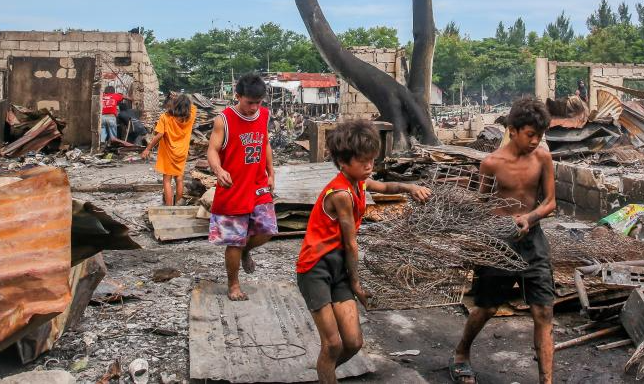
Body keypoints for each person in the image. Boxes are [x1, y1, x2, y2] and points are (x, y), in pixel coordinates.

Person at [296, 120, 431, 384]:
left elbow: (386, 187)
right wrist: (356, 284)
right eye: (363, 161)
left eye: (372, 159)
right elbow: (350, 243)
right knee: (333, 344)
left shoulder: (360, 182)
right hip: (316, 267)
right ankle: (327, 372)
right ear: (343, 163)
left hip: (338, 267)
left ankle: (325, 373)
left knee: (354, 342)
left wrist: (410, 187)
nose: (370, 166)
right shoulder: (341, 194)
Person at [451, 97, 556, 384]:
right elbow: (480, 205)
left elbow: (550, 202)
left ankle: (546, 380)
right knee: (487, 307)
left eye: (540, 135)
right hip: (499, 242)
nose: (535, 141)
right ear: (512, 129)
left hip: (532, 240)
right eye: (530, 135)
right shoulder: (491, 163)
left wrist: (530, 218)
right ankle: (461, 352)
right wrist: (478, 238)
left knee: (543, 310)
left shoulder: (543, 158)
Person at [207, 73, 277, 301]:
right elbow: (212, 150)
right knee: (234, 241)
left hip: (257, 184)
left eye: (258, 102)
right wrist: (219, 170)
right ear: (237, 96)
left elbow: (265, 142)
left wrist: (271, 172)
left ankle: (247, 250)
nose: (254, 107)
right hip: (233, 187)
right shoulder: (223, 120)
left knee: (267, 230)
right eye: (249, 103)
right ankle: (234, 284)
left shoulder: (264, 115)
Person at [141, 93, 196, 206]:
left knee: (167, 180)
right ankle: (178, 205)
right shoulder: (190, 116)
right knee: (179, 179)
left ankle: (169, 207)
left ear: (175, 104)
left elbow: (159, 135)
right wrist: (179, 98)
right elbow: (192, 105)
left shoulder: (165, 117)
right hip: (182, 153)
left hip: (168, 153)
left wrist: (148, 149)